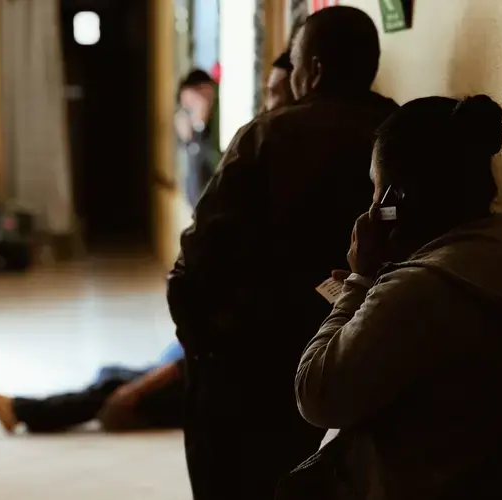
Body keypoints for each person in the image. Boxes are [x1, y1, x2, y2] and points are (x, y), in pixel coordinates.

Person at [166, 6, 399, 499]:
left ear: (310, 69)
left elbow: (200, 251)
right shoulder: (399, 134)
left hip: (252, 352)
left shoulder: (267, 135)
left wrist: (199, 341)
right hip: (363, 344)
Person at [288, 95, 502, 500]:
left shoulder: (419, 288)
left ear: (396, 201)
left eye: (375, 191)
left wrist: (360, 280)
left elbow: (315, 394)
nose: (371, 207)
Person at [0, 341, 185, 433]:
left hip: (193, 396)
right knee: (110, 374)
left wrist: (136, 390)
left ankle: (18, 410)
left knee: (110, 389)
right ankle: (23, 411)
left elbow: (184, 366)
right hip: (187, 383)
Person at [173, 69, 220, 208]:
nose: (189, 114)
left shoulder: (222, 121)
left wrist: (194, 142)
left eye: (191, 106)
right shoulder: (195, 135)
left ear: (207, 92)